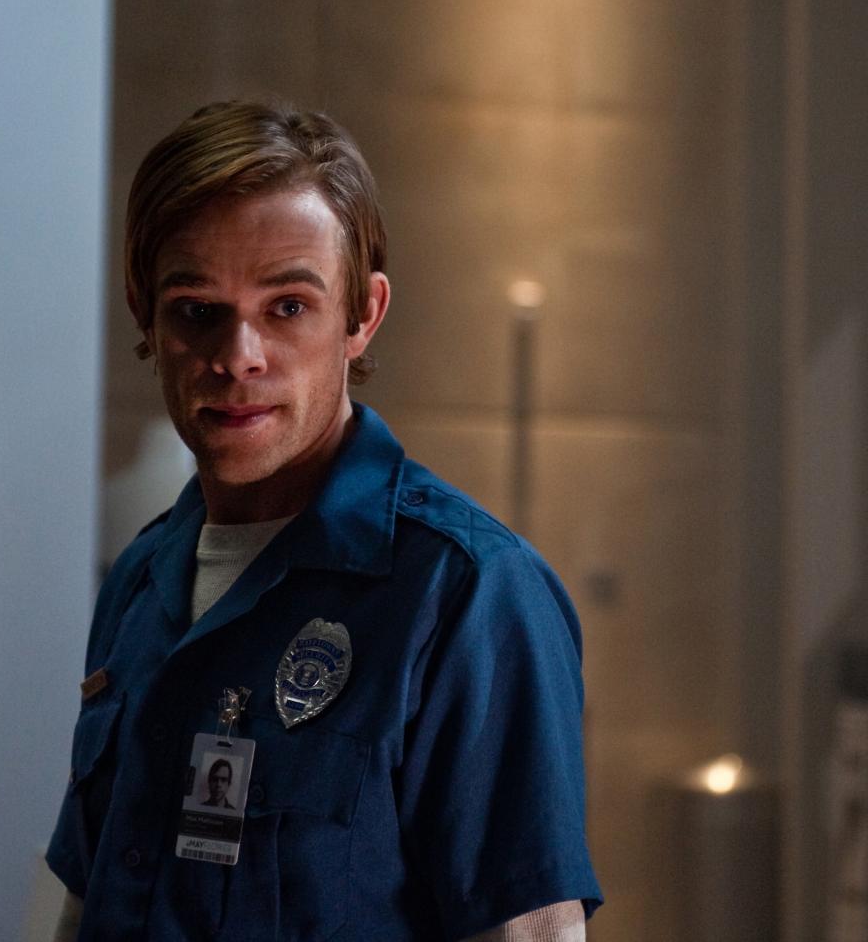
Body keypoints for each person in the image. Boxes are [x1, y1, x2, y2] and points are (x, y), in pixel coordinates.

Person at [48, 101, 600, 941]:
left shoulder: (468, 595)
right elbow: (85, 905)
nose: (238, 356)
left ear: (362, 314)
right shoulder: (140, 579)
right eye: (197, 308)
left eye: (287, 307)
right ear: (143, 311)